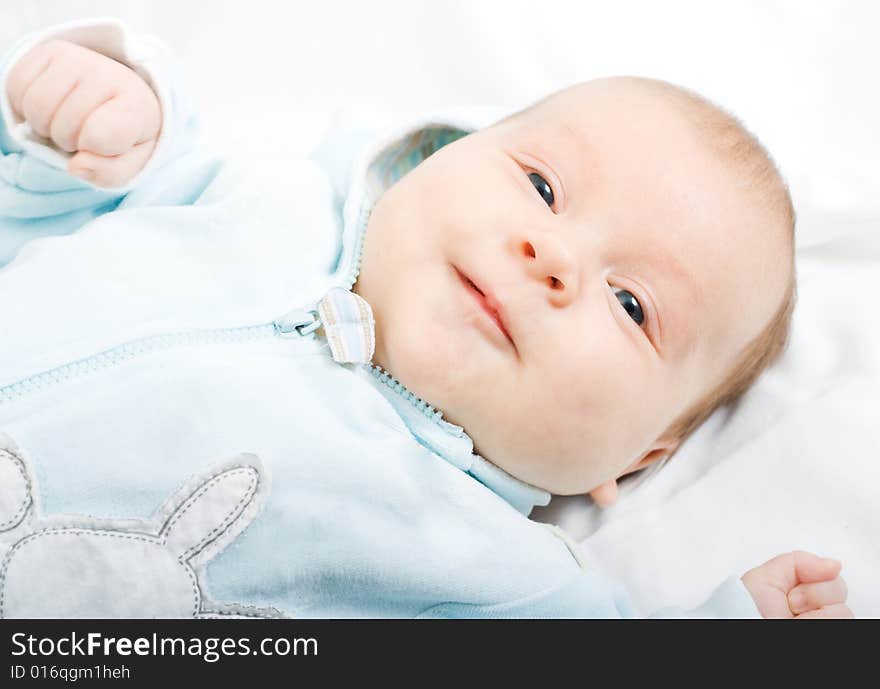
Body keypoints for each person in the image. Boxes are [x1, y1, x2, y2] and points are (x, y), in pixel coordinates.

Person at [0, 19, 851, 618]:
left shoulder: (489, 567)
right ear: (437, 153)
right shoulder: (260, 194)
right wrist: (101, 113)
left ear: (636, 459)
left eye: (632, 306)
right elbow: (69, 190)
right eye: (543, 188)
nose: (552, 256)